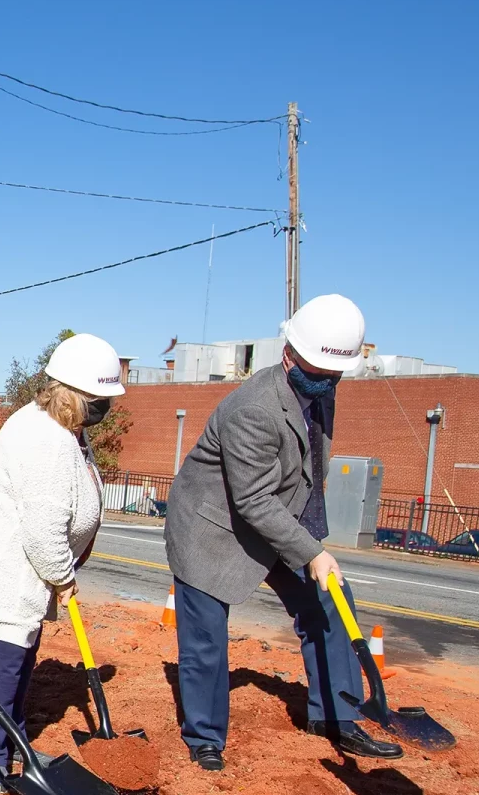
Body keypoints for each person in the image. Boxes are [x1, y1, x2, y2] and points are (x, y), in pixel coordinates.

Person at [165, 294, 399, 769]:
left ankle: (337, 718)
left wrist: (313, 548)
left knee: (331, 600)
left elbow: (307, 470)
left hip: (276, 519)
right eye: (316, 371)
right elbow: (250, 498)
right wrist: (309, 552)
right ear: (289, 353)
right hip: (213, 528)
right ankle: (205, 738)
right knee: (206, 639)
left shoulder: (320, 391)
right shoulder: (253, 408)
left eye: (332, 375)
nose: (325, 382)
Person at [0, 333, 122, 792]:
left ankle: (13, 744)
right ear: (71, 393)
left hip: (26, 566)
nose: (105, 406)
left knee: (21, 654)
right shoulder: (46, 439)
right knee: (4, 661)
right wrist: (63, 577)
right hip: (10, 564)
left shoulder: (63, 428)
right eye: (99, 398)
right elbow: (43, 527)